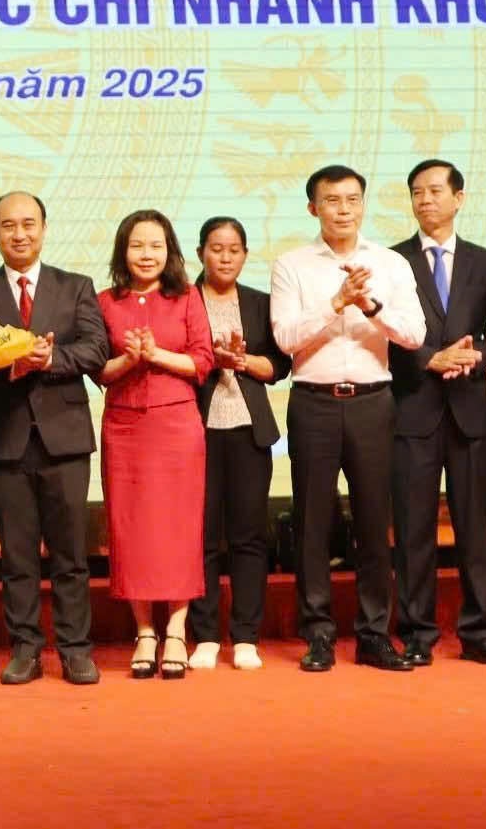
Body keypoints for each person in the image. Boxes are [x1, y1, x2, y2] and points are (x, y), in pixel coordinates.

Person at [271, 166, 426, 672]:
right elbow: (285, 339)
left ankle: (373, 634)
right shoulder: (291, 265)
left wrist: (370, 305)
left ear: (363, 205)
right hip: (313, 401)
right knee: (313, 523)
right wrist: (335, 304)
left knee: (373, 521)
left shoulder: (390, 263)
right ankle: (318, 634)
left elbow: (415, 335)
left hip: (372, 402)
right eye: (332, 200)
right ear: (313, 208)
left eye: (352, 199)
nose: (343, 209)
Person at [0, 190, 109, 685]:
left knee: (71, 555)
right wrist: (11, 363)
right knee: (18, 556)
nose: (19, 234)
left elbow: (96, 349)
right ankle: (25, 649)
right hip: (8, 439)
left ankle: (75, 649)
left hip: (65, 440)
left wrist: (51, 359)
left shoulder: (75, 286)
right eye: (8, 225)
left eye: (28, 224)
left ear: (44, 229)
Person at [387, 159, 486, 667]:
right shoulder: (392, 261)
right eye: (417, 192)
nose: (425, 200)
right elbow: (382, 333)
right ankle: (418, 632)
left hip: (469, 409)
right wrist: (427, 358)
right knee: (413, 529)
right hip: (412, 408)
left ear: (459, 198)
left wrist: (476, 354)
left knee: (474, 530)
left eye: (435, 191)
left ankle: (478, 632)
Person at [95, 209, 215, 680]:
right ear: (123, 251)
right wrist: (130, 359)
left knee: (178, 527)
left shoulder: (186, 297)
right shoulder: (105, 301)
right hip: (124, 427)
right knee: (132, 528)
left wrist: (155, 354)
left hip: (176, 426)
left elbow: (202, 361)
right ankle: (145, 631)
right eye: (137, 245)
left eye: (156, 246)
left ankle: (177, 630)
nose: (147, 254)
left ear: (170, 252)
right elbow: (99, 371)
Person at [186, 216, 283, 672]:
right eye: (216, 249)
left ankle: (245, 635)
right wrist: (210, 360)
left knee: (249, 536)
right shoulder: (183, 300)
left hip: (248, 430)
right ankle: (205, 635)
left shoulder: (260, 303)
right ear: (200, 253)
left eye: (234, 250)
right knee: (201, 536)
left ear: (245, 255)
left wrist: (242, 361)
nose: (225, 258)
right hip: (196, 431)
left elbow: (279, 366)